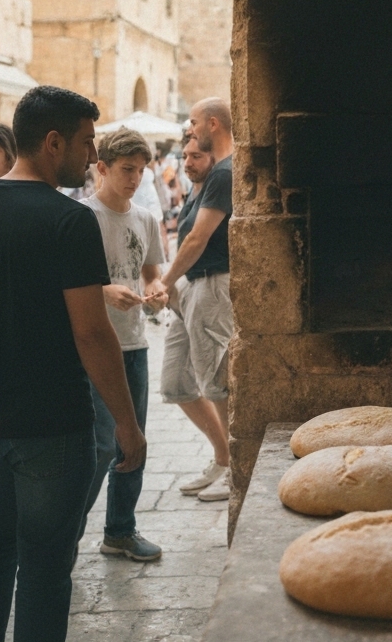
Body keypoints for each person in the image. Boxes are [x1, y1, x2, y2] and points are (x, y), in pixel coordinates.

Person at [0, 85, 146, 642]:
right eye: (86, 142)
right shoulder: (69, 221)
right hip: (52, 424)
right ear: (53, 142)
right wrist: (126, 422)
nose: (92, 156)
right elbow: (91, 332)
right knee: (46, 564)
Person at [79, 128, 168, 562]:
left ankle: (120, 530)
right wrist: (104, 291)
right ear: (102, 168)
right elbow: (63, 285)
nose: (134, 178)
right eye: (126, 169)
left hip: (134, 343)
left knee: (135, 442)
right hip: (92, 345)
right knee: (98, 447)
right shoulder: (82, 217)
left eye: (140, 170)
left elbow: (151, 272)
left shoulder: (146, 218)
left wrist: (157, 291)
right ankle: (66, 534)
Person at [150, 99, 235, 502]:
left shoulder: (224, 173)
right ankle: (223, 458)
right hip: (194, 287)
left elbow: (198, 238)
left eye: (195, 122)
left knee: (217, 383)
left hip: (212, 286)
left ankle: (236, 468)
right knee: (176, 382)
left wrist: (164, 282)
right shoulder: (212, 176)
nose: (190, 128)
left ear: (213, 124)